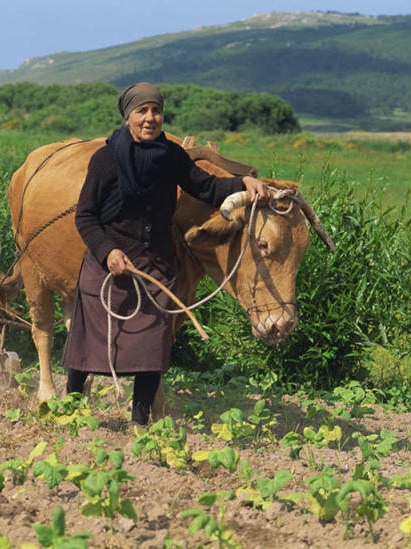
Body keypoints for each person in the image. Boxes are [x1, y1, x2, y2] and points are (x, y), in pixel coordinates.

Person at [61, 82, 269, 424]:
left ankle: (140, 421)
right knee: (89, 342)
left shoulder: (171, 156)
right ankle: (69, 406)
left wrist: (241, 182)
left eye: (156, 110)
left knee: (152, 344)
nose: (150, 118)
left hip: (154, 265)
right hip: (108, 263)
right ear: (128, 116)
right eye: (142, 111)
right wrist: (107, 251)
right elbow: (85, 216)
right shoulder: (106, 159)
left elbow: (205, 186)